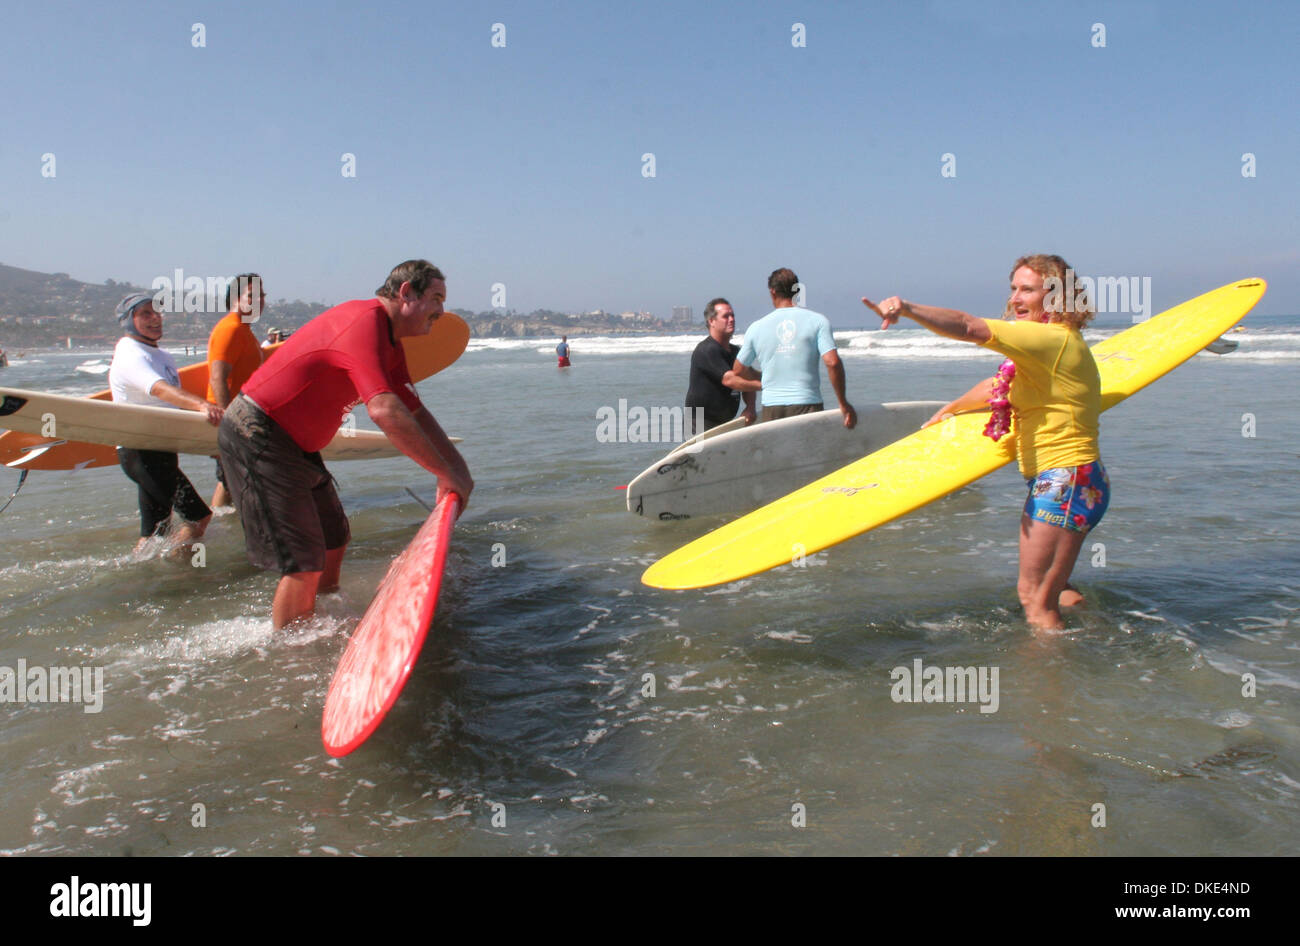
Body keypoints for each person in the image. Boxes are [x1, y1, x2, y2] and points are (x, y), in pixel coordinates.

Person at [217, 259, 474, 630]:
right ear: (406, 293)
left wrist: (458, 472)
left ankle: (324, 614)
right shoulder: (363, 322)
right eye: (435, 298)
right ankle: (292, 652)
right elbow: (384, 410)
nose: (441, 311)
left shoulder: (390, 343)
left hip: (295, 443)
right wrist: (444, 472)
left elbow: (414, 411)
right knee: (304, 560)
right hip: (256, 431)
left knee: (334, 538)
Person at [862, 254, 1109, 631]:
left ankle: (1049, 683)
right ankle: (1097, 633)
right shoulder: (1054, 345)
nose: (1015, 298)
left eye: (1028, 289)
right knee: (1055, 588)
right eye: (1013, 289)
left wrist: (908, 309)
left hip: (1064, 482)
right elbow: (1001, 386)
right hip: (1078, 480)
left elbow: (967, 325)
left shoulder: (1048, 339)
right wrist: (953, 408)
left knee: (1033, 597)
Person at [108, 292, 223, 554]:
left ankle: (153, 568)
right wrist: (203, 405)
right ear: (128, 320)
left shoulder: (162, 357)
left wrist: (210, 442)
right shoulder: (130, 354)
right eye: (145, 313)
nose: (155, 318)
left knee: (166, 528)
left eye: (157, 312)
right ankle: (164, 572)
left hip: (161, 450)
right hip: (142, 451)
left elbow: (169, 407)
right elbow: (160, 391)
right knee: (173, 526)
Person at [733, 268, 856, 428]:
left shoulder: (756, 328)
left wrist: (765, 378)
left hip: (771, 407)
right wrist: (843, 403)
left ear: (772, 292)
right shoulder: (818, 321)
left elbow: (738, 369)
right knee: (810, 452)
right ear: (797, 290)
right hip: (808, 404)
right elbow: (832, 362)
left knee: (777, 453)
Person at [206, 274, 265, 509]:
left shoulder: (244, 330)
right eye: (252, 296)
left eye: (262, 296)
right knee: (230, 477)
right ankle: (221, 523)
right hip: (230, 417)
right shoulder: (230, 329)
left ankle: (223, 523)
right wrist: (228, 421)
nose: (259, 301)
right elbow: (217, 376)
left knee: (228, 479)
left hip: (243, 415)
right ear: (234, 300)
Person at [684, 297, 759, 435]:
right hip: (699, 424)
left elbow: (749, 376)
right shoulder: (706, 350)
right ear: (711, 321)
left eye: (732, 315)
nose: (731, 319)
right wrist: (766, 384)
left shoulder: (736, 351)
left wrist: (750, 406)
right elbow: (730, 380)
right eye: (726, 316)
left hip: (724, 423)